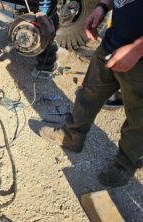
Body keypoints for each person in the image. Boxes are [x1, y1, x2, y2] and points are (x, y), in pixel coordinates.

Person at [40, 0, 143, 187]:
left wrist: (137, 50)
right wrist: (102, 7)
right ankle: (72, 136)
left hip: (139, 59)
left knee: (139, 117)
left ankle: (125, 163)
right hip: (111, 43)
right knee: (89, 93)